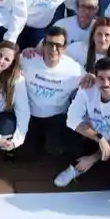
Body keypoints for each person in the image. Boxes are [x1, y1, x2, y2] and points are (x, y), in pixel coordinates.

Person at [53, 57, 110, 187]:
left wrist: (93, 158)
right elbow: (72, 119)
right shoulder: (88, 87)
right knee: (64, 131)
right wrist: (99, 138)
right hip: (91, 136)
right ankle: (75, 167)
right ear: (95, 77)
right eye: (101, 78)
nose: (105, 83)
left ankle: (86, 164)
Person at [20, 25, 84, 155]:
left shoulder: (74, 69)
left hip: (56, 117)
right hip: (30, 114)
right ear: (43, 45)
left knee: (55, 149)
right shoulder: (27, 59)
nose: (53, 49)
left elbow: (91, 85)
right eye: (50, 44)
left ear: (65, 48)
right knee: (27, 152)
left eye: (58, 45)